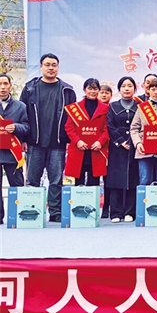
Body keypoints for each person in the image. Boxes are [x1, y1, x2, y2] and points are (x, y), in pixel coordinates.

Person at [20, 53, 77, 222]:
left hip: (58, 143)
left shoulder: (67, 91)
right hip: (34, 142)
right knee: (32, 180)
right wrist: (23, 139)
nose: (51, 68)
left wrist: (69, 141)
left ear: (58, 67)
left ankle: (55, 213)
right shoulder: (29, 89)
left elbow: (72, 120)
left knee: (56, 181)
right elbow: (23, 116)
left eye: (54, 65)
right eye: (47, 65)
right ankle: (32, 211)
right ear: (41, 67)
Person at [106, 76, 140, 223]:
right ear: (119, 89)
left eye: (130, 86)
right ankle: (115, 212)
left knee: (133, 178)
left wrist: (132, 142)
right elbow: (109, 125)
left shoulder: (140, 106)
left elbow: (141, 126)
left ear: (135, 89)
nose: (127, 89)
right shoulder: (112, 106)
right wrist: (120, 141)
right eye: (124, 86)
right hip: (116, 148)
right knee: (116, 179)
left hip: (135, 146)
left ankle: (129, 212)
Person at [64, 78, 110, 186]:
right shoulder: (75, 108)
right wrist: (77, 141)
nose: (92, 91)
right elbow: (69, 127)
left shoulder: (106, 108)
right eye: (90, 88)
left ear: (98, 90)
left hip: (96, 149)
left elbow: (107, 128)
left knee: (94, 181)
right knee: (78, 181)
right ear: (84, 90)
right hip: (79, 149)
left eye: (95, 89)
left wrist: (100, 142)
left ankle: (93, 198)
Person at [0, 74, 29, 225]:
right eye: (0, 84)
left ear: (10, 86)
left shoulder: (20, 106)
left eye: (5, 84)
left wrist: (16, 127)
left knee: (17, 184)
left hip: (13, 153)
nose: (2, 87)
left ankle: (19, 214)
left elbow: (27, 127)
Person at [98, 84, 113, 218]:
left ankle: (107, 207)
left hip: (110, 148)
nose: (104, 95)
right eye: (101, 92)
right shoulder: (91, 109)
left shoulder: (113, 108)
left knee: (108, 180)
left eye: (107, 93)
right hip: (95, 148)